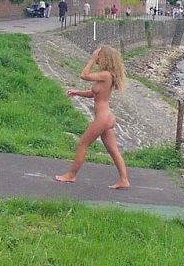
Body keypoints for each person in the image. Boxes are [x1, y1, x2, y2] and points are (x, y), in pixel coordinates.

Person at [55, 46, 130, 189]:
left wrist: (91, 59)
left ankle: (71, 175)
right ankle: (124, 180)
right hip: (106, 117)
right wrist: (77, 92)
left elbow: (84, 75)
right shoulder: (105, 76)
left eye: (99, 56)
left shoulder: (106, 75)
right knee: (113, 150)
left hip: (103, 118)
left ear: (104, 58)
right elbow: (94, 93)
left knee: (82, 144)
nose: (97, 58)